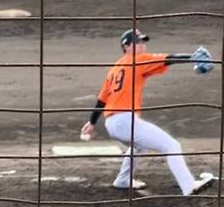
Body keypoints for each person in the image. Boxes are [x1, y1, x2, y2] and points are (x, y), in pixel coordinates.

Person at [80, 28, 215, 193]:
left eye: (143, 42)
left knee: (139, 146)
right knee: (171, 146)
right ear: (126, 46)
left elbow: (102, 99)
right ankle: (189, 186)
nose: (142, 45)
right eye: (137, 42)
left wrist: (92, 123)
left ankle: (123, 180)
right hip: (125, 121)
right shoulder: (138, 60)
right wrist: (191, 57)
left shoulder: (115, 68)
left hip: (112, 124)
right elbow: (168, 59)